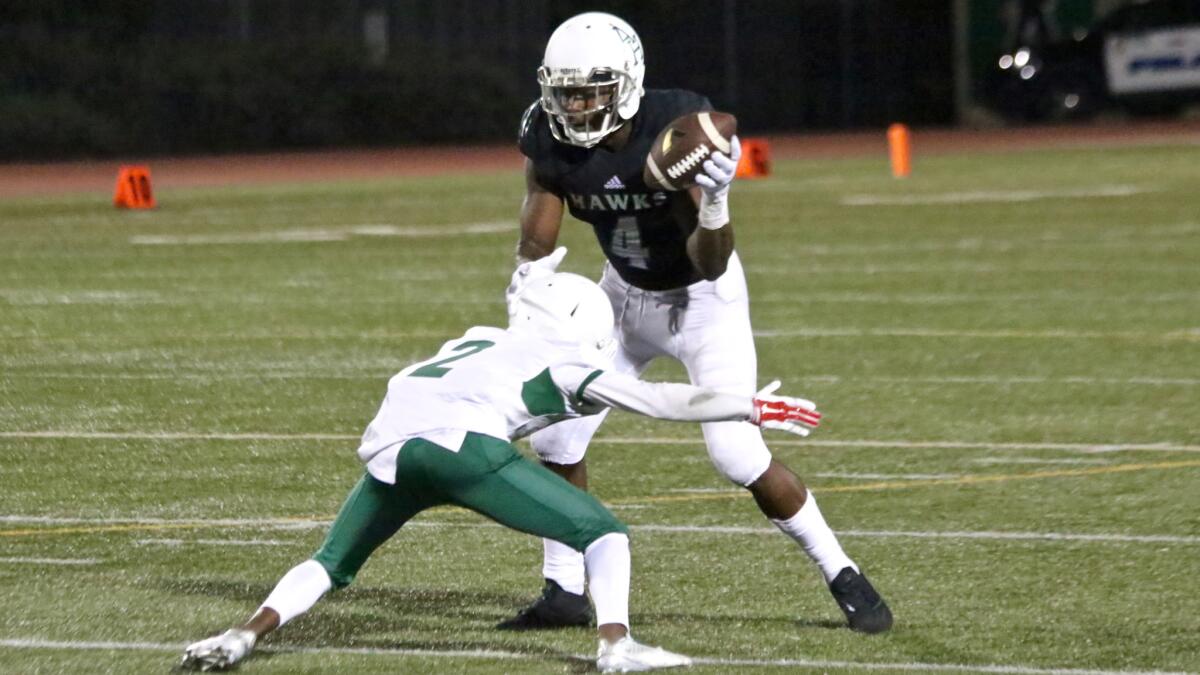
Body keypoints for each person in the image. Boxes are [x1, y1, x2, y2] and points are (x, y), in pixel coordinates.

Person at [181, 252, 823, 672]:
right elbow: (658, 399)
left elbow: (511, 324)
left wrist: (526, 282)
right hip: (463, 448)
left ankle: (242, 635)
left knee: (330, 562)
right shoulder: (570, 362)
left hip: (392, 447)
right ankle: (616, 645)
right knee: (605, 533)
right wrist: (747, 408)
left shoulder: (478, 337)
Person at [498, 12, 892, 634]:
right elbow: (538, 229)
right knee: (554, 436)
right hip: (620, 298)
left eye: (591, 88)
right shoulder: (547, 136)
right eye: (565, 89)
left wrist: (715, 201)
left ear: (627, 82)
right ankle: (564, 589)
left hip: (701, 303)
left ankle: (841, 569)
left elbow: (709, 265)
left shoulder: (672, 127)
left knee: (736, 453)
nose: (575, 104)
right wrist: (528, 287)